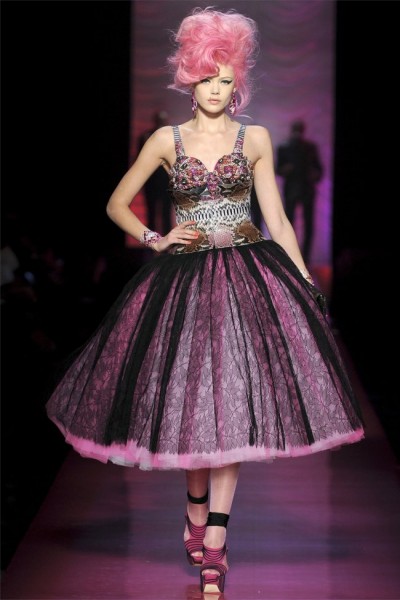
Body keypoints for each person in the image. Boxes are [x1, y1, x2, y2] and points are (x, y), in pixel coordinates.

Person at [46, 7, 364, 595]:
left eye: (226, 79)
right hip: (184, 282)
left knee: (233, 403)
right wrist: (155, 238)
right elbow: (116, 203)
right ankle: (196, 511)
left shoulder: (255, 139)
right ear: (189, 77)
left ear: (236, 82)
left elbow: (277, 222)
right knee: (194, 405)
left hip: (246, 275)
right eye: (207, 78)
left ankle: (215, 539)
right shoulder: (166, 140)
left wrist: (304, 280)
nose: (217, 89)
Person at [276, 119, 324, 264]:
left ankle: (306, 258)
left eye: (299, 129)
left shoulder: (310, 148)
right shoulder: (284, 148)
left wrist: (314, 175)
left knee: (308, 224)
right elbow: (278, 169)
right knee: (289, 224)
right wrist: (286, 169)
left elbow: (319, 169)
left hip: (307, 189)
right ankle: (290, 256)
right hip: (291, 189)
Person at [137, 110, 172, 235]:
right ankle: (151, 242)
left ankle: (168, 241)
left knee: (166, 213)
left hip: (167, 181)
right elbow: (139, 161)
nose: (161, 122)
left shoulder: (172, 137)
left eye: (163, 120)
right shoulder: (146, 137)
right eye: (159, 119)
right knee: (151, 212)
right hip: (150, 180)